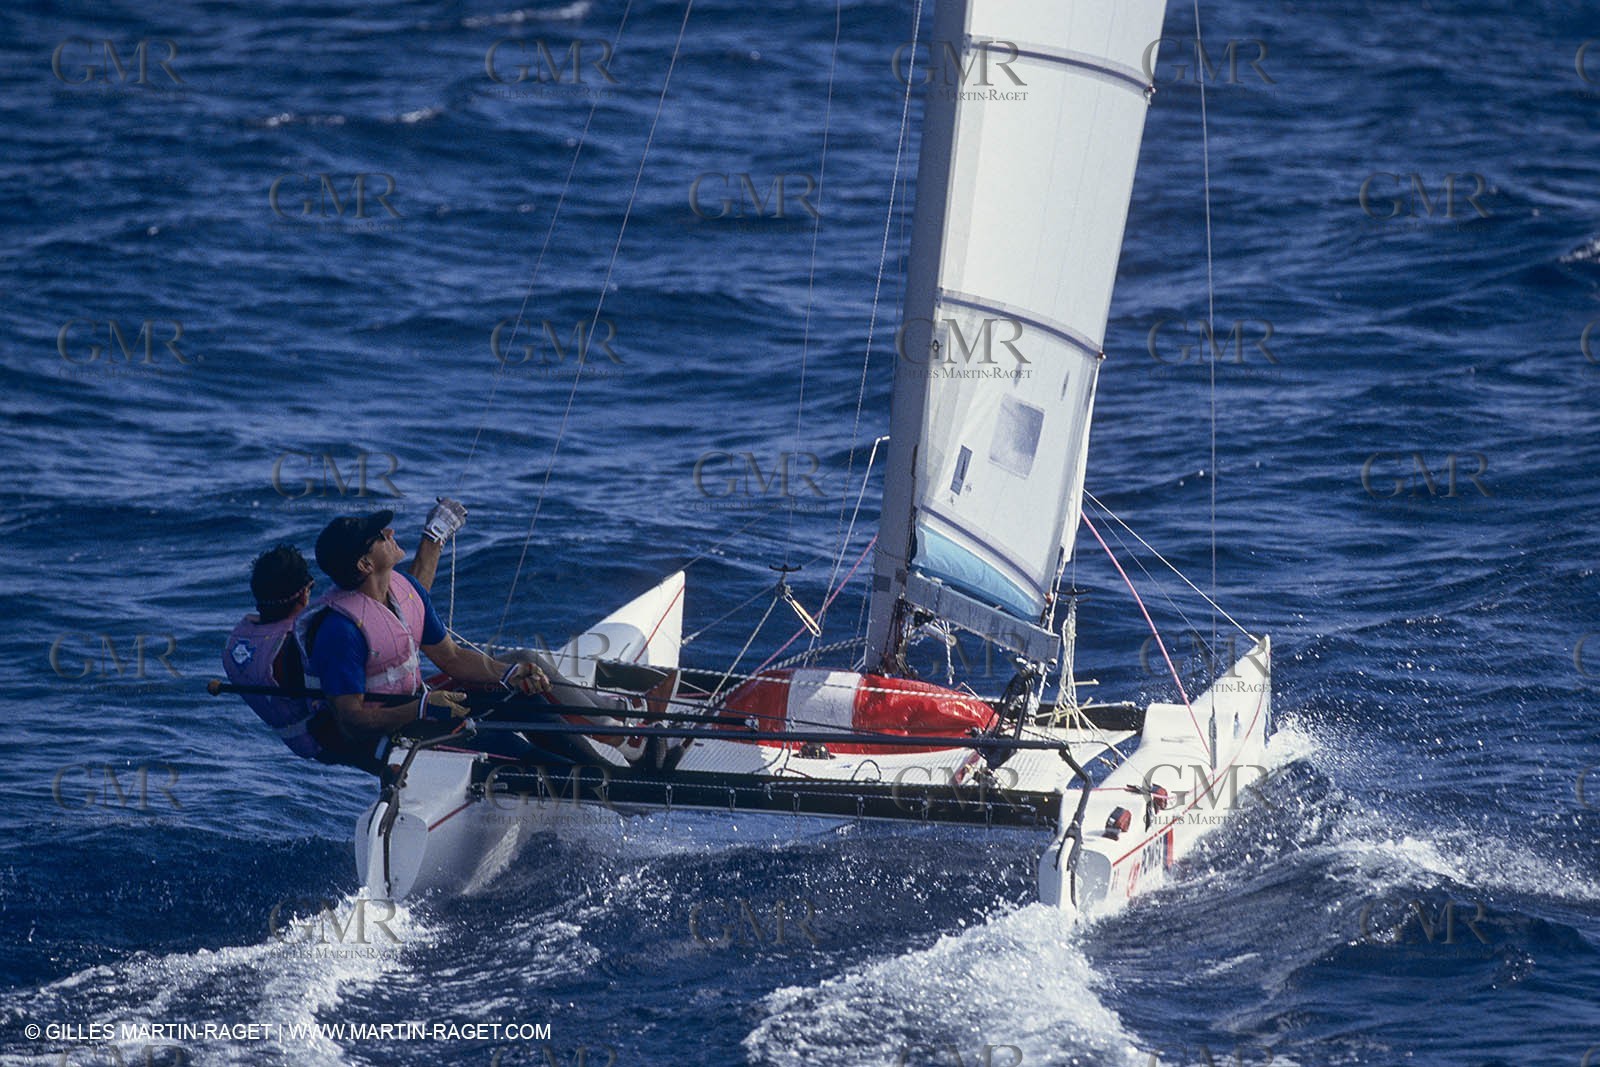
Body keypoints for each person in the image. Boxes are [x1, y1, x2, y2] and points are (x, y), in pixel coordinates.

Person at [302, 508, 559, 767]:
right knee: (505, 747)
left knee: (526, 700)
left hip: (424, 706)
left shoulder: (406, 590)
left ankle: (597, 769)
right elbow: (351, 721)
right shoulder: (340, 631)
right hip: (394, 733)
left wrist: (509, 673)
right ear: (365, 564)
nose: (390, 532)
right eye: (380, 535)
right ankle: (584, 781)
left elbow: (452, 656)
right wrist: (421, 708)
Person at [222, 544, 391, 773]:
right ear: (304, 592)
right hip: (334, 739)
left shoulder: (237, 642)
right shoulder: (297, 646)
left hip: (300, 739)